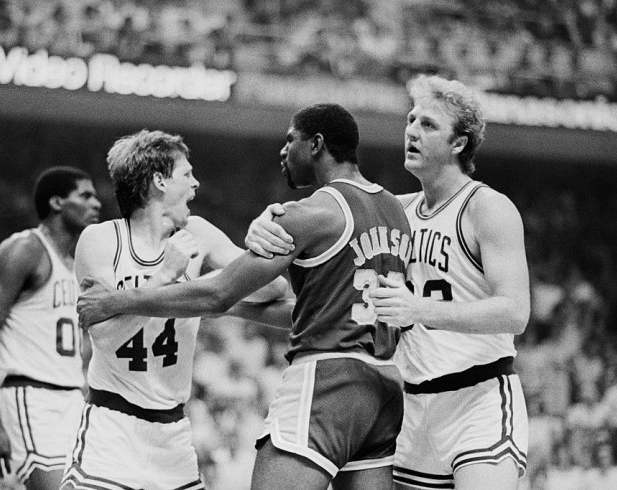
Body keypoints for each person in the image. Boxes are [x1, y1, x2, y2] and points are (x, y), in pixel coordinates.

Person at [76, 104, 410, 490]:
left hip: (328, 377)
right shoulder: (394, 210)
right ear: (158, 182)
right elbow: (308, 306)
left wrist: (128, 297)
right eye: (188, 174)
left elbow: (221, 294)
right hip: (384, 381)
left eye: (290, 141)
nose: (283, 152)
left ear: (316, 144)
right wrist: (206, 299)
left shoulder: (307, 212)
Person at [245, 75, 530, 490]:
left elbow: (515, 312)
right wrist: (264, 225)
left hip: (479, 398)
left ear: (459, 144)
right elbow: (335, 310)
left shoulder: (487, 208)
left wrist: (419, 309)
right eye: (411, 119)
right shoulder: (393, 210)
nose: (411, 131)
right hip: (411, 406)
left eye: (428, 125)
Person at [60, 129, 288, 490]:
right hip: (113, 429)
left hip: (173, 435)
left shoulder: (197, 232)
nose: (196, 184)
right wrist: (166, 276)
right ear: (158, 182)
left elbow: (274, 287)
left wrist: (254, 245)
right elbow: (106, 340)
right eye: (187, 174)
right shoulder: (101, 240)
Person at [0, 166, 102, 489]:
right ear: (56, 202)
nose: (97, 203)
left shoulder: (77, 264)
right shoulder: (24, 249)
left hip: (72, 397)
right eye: (85, 195)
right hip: (30, 396)